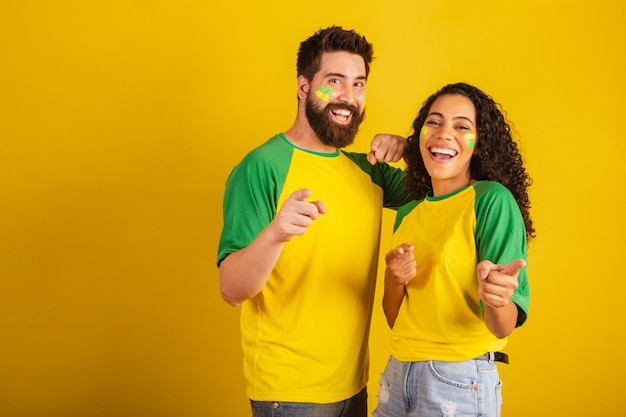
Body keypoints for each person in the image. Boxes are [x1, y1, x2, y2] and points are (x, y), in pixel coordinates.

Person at [217, 26, 412, 417]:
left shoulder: (369, 173)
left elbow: (450, 193)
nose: (348, 97)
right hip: (289, 393)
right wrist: (275, 234)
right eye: (334, 81)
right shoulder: (262, 167)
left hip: (355, 386)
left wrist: (411, 150)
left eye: (358, 84)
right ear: (304, 87)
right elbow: (232, 289)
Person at [374, 82, 535, 417]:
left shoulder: (490, 200)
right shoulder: (408, 212)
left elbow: (502, 326)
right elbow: (396, 319)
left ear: (479, 145)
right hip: (397, 372)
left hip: (459, 380)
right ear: (418, 136)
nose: (445, 134)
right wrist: (394, 280)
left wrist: (497, 298)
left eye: (462, 126)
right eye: (434, 122)